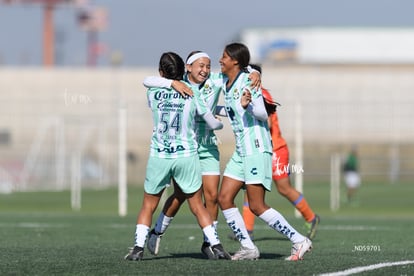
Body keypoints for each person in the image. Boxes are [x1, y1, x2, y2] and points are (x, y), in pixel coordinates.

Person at [142, 51, 261, 259]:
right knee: (181, 195)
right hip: (187, 148)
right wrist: (172, 84)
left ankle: (209, 242)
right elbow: (148, 80)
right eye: (200, 66)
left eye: (207, 66)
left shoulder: (215, 80)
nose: (205, 70)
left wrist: (253, 71)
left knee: (212, 195)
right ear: (188, 67)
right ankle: (157, 231)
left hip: (208, 147)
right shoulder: (178, 83)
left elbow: (237, 72)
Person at [124, 52, 230, 261]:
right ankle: (216, 245)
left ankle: (137, 248)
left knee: (148, 204)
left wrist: (169, 83)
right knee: (197, 204)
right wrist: (220, 120)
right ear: (184, 70)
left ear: (161, 72)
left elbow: (147, 81)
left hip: (160, 155)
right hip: (186, 155)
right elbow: (213, 123)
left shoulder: (153, 92)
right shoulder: (192, 93)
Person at [217, 42, 312, 261]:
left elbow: (261, 113)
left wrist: (248, 103)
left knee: (257, 205)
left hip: (257, 150)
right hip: (242, 151)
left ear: (235, 61)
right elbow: (233, 108)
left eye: (224, 57)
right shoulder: (226, 80)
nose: (220, 60)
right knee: (224, 198)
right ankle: (248, 247)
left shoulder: (248, 81)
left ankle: (299, 240)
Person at [232, 64, 320, 242]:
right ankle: (247, 230)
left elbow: (268, 124)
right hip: (261, 150)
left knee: (284, 188)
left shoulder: (262, 94)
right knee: (251, 187)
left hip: (276, 149)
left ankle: (311, 218)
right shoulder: (249, 93)